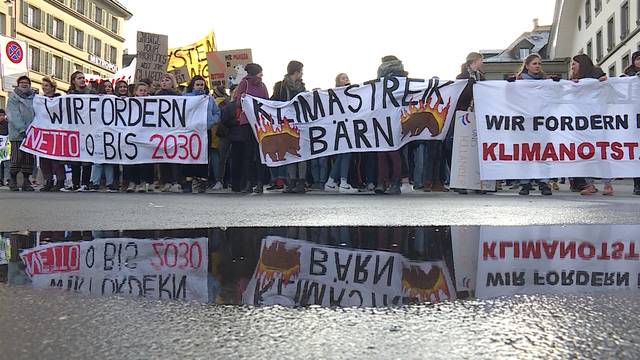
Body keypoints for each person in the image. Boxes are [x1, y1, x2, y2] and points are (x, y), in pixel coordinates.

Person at [569, 54, 610, 195]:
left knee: (601, 151)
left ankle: (608, 185)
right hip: (582, 120)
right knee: (585, 152)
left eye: (574, 64)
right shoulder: (574, 80)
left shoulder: (596, 72)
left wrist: (602, 81)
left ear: (582, 63)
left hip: (598, 119)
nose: (572, 67)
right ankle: (590, 184)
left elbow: (606, 85)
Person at [514, 53, 553, 196]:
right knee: (526, 151)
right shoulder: (519, 81)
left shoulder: (545, 80)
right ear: (527, 65)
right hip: (526, 121)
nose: (537, 66)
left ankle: (543, 182)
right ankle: (525, 183)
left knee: (543, 151)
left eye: (539, 64)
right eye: (534, 63)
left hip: (542, 121)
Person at [451, 52, 486, 195]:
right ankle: (460, 182)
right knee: (463, 150)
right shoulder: (461, 78)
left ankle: (477, 182)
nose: (482, 63)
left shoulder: (481, 77)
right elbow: (459, 97)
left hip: (478, 116)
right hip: (464, 115)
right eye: (480, 60)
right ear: (475, 61)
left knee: (476, 150)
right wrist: (470, 86)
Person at [234, 63, 269, 193]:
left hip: (246, 122)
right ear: (257, 73)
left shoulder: (244, 83)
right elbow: (266, 101)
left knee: (248, 154)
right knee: (259, 153)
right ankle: (259, 183)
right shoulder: (262, 85)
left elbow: (238, 102)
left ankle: (249, 183)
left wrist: (243, 99)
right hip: (259, 122)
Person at [272, 61, 307, 193]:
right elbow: (274, 101)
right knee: (289, 152)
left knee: (301, 152)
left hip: (299, 123)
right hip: (286, 124)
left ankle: (302, 182)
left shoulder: (302, 88)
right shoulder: (280, 86)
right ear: (296, 72)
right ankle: (292, 181)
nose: (302, 74)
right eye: (301, 71)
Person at [374, 56, 406, 195]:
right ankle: (394, 183)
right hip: (396, 119)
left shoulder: (381, 81)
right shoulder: (404, 80)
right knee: (394, 153)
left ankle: (383, 182)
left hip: (384, 118)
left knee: (384, 152)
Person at [183, 75, 220, 193]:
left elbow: (217, 113)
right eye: (197, 84)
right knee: (189, 155)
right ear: (192, 86)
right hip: (190, 131)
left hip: (204, 131)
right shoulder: (185, 98)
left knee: (204, 156)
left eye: (202, 85)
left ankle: (202, 181)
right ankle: (188, 181)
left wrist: (210, 122)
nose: (199, 87)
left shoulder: (209, 99)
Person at [324, 73, 357, 193]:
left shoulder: (353, 92)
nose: (346, 79)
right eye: (343, 78)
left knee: (341, 155)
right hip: (340, 127)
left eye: (347, 77)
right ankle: (343, 182)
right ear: (337, 81)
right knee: (346, 154)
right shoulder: (335, 94)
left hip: (348, 126)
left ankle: (331, 181)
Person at [62, 71, 93, 192]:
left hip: (88, 129)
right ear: (73, 81)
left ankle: (85, 183)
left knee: (87, 158)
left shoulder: (92, 94)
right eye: (79, 78)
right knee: (75, 157)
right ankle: (75, 183)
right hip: (74, 130)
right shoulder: (68, 95)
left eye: (83, 78)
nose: (82, 80)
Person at [123, 82, 156, 193]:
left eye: (145, 91)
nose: (143, 93)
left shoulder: (154, 103)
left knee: (146, 160)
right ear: (135, 92)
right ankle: (133, 182)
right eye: (141, 90)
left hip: (147, 135)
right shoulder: (129, 103)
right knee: (132, 159)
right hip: (133, 135)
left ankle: (143, 182)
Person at [6, 75, 36, 191]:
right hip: (18, 133)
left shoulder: (34, 97)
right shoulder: (13, 97)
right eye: (22, 82)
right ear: (18, 84)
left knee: (28, 158)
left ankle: (26, 181)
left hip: (31, 133)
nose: (24, 84)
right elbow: (13, 114)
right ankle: (12, 180)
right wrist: (21, 128)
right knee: (17, 158)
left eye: (27, 82)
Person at [156, 73, 183, 193]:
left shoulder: (178, 95)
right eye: (162, 80)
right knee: (163, 157)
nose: (164, 82)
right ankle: (166, 181)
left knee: (174, 156)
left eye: (167, 80)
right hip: (161, 131)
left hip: (174, 130)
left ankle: (176, 181)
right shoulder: (155, 96)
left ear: (172, 82)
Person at [38, 77, 65, 192]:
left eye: (46, 85)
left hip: (57, 132)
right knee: (44, 159)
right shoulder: (39, 100)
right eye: (43, 85)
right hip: (44, 132)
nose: (44, 87)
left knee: (56, 159)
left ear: (53, 87)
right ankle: (48, 181)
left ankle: (60, 181)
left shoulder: (61, 99)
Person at [622, 50, 640, 195]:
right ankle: (637, 184)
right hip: (634, 117)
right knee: (636, 152)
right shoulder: (627, 76)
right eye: (638, 59)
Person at [0, 109, 9, 186]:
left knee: (6, 164)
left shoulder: (7, 124)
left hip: (6, 147)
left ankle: (7, 179)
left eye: (3, 115)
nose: (2, 117)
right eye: (0, 115)